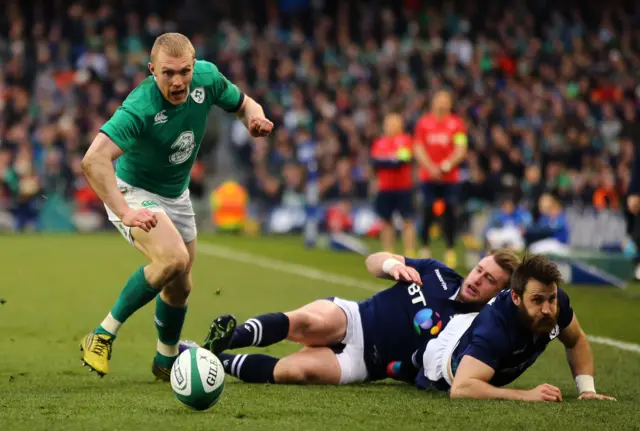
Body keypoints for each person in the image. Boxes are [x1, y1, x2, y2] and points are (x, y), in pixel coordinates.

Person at [79, 32, 273, 379]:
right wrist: (125, 211)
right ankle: (103, 334)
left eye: (184, 71)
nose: (178, 80)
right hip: (134, 190)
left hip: (176, 194)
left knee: (181, 284)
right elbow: (93, 160)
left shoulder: (208, 79)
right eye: (168, 73)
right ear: (152, 70)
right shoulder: (142, 105)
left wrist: (254, 120)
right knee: (173, 259)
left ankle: (165, 360)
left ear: (194, 65)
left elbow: (245, 104)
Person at [196, 249, 519, 385]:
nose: (477, 279)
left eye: (490, 280)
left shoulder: (474, 329)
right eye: (479, 269)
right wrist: (392, 265)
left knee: (294, 372)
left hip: (365, 364)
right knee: (310, 323)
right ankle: (227, 338)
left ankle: (211, 359)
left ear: (501, 292)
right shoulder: (437, 272)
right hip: (353, 317)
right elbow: (373, 260)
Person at [412, 254, 616, 402]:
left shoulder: (557, 303)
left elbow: (576, 339)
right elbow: (462, 388)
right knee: (418, 360)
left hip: (477, 331)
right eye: (537, 300)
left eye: (551, 298)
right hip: (443, 359)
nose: (547, 310)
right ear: (516, 297)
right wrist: (525, 395)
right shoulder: (495, 328)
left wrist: (587, 390)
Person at [413, 90, 468, 268]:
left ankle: (450, 249)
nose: (442, 104)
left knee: (450, 212)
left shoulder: (457, 124)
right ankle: (424, 247)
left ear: (450, 103)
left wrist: (445, 166)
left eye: (445, 100)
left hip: (449, 177)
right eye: (439, 100)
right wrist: (430, 167)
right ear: (433, 102)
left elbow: (460, 149)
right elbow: (418, 148)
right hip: (428, 176)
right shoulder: (423, 123)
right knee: (427, 211)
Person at [370, 113, 416, 256]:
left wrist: (386, 161)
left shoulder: (406, 140)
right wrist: (391, 160)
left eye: (394, 123)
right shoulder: (379, 142)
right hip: (385, 188)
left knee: (407, 221)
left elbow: (402, 161)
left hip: (403, 187)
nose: (390, 126)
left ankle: (410, 252)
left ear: (400, 125)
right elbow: (375, 162)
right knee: (385, 221)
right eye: (388, 123)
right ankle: (388, 253)